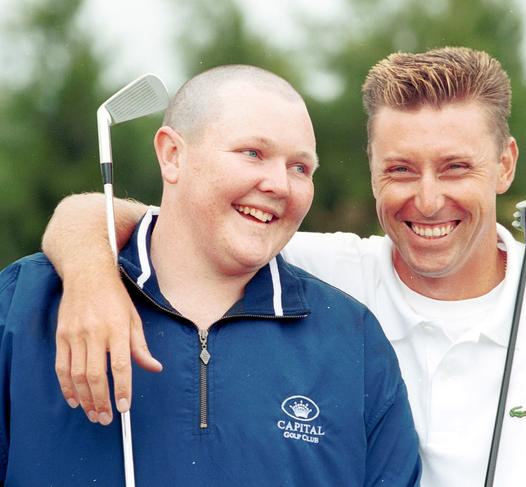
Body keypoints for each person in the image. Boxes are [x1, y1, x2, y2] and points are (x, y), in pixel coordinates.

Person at [42, 47, 526, 486]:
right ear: (370, 168)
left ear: (506, 164)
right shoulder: (318, 273)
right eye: (401, 169)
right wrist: (93, 279)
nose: (429, 199)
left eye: (457, 167)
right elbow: (136, 218)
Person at [0, 65, 422, 485]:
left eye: (300, 168)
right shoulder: (27, 303)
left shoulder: (355, 341)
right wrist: (90, 276)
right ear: (173, 155)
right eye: (252, 153)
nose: (280, 184)